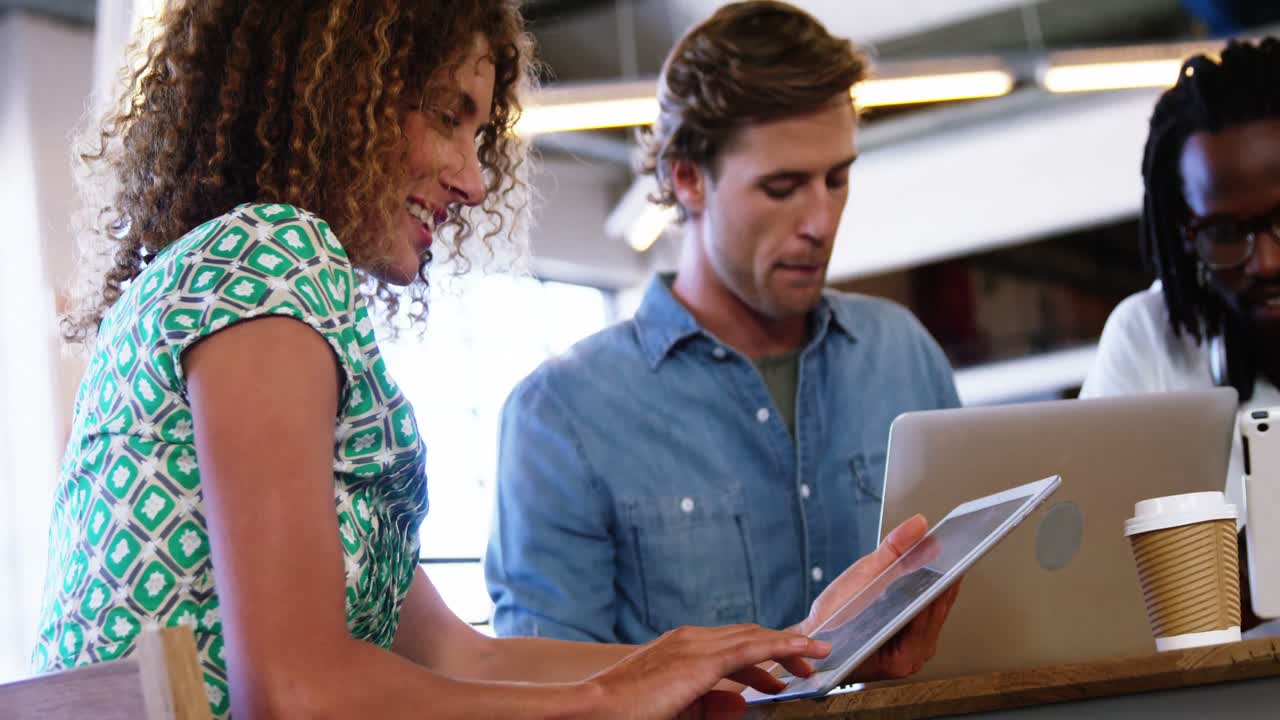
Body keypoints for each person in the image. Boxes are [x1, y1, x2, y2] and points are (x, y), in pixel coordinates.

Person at [31, 2, 954, 718]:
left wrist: (783, 650)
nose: (475, 180)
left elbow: (460, 654)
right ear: (340, 94)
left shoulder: (228, 280)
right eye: (448, 117)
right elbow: (297, 692)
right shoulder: (267, 257)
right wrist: (608, 698)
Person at [486, 0, 961, 647]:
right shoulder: (562, 417)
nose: (820, 221)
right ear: (689, 179)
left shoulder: (903, 354)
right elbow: (549, 686)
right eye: (782, 187)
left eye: (836, 179)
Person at [1080, 37, 1280, 519]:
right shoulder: (1147, 341)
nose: (1267, 262)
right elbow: (1090, 533)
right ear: (1184, 234)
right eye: (1225, 234)